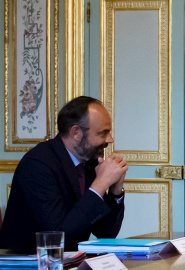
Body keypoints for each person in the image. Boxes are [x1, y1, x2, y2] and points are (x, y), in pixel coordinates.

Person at [0, 96, 128, 252]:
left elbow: (106, 233)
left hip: (68, 261)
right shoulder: (38, 164)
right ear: (76, 132)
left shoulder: (90, 162)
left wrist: (115, 189)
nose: (110, 139)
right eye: (103, 133)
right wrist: (100, 184)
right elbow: (58, 236)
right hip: (27, 262)